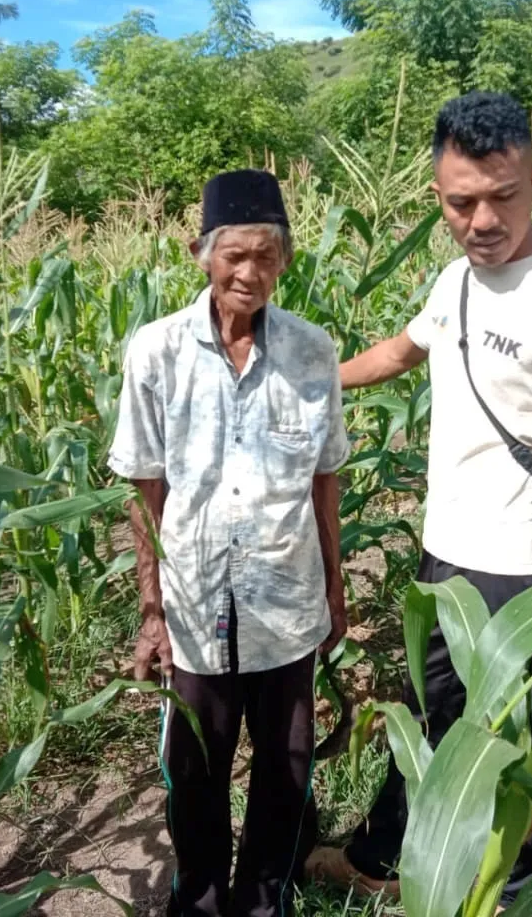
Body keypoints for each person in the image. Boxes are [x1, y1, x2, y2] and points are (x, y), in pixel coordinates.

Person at [306, 91, 532, 901]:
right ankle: (407, 862)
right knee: (431, 718)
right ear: (439, 194)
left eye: (505, 196)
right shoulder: (456, 277)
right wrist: (307, 376)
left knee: (524, 731)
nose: (484, 219)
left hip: (527, 565)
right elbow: (399, 351)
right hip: (448, 550)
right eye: (463, 202)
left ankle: (504, 880)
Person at [108, 168, 350, 917]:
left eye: (268, 256)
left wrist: (336, 592)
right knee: (196, 766)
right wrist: (151, 611)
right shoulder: (156, 353)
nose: (251, 272)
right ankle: (201, 897)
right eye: (235, 255)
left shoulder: (313, 352)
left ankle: (264, 896)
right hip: (194, 601)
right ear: (200, 254)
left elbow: (325, 482)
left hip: (287, 598)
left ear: (285, 260)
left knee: (286, 764)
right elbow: (145, 487)